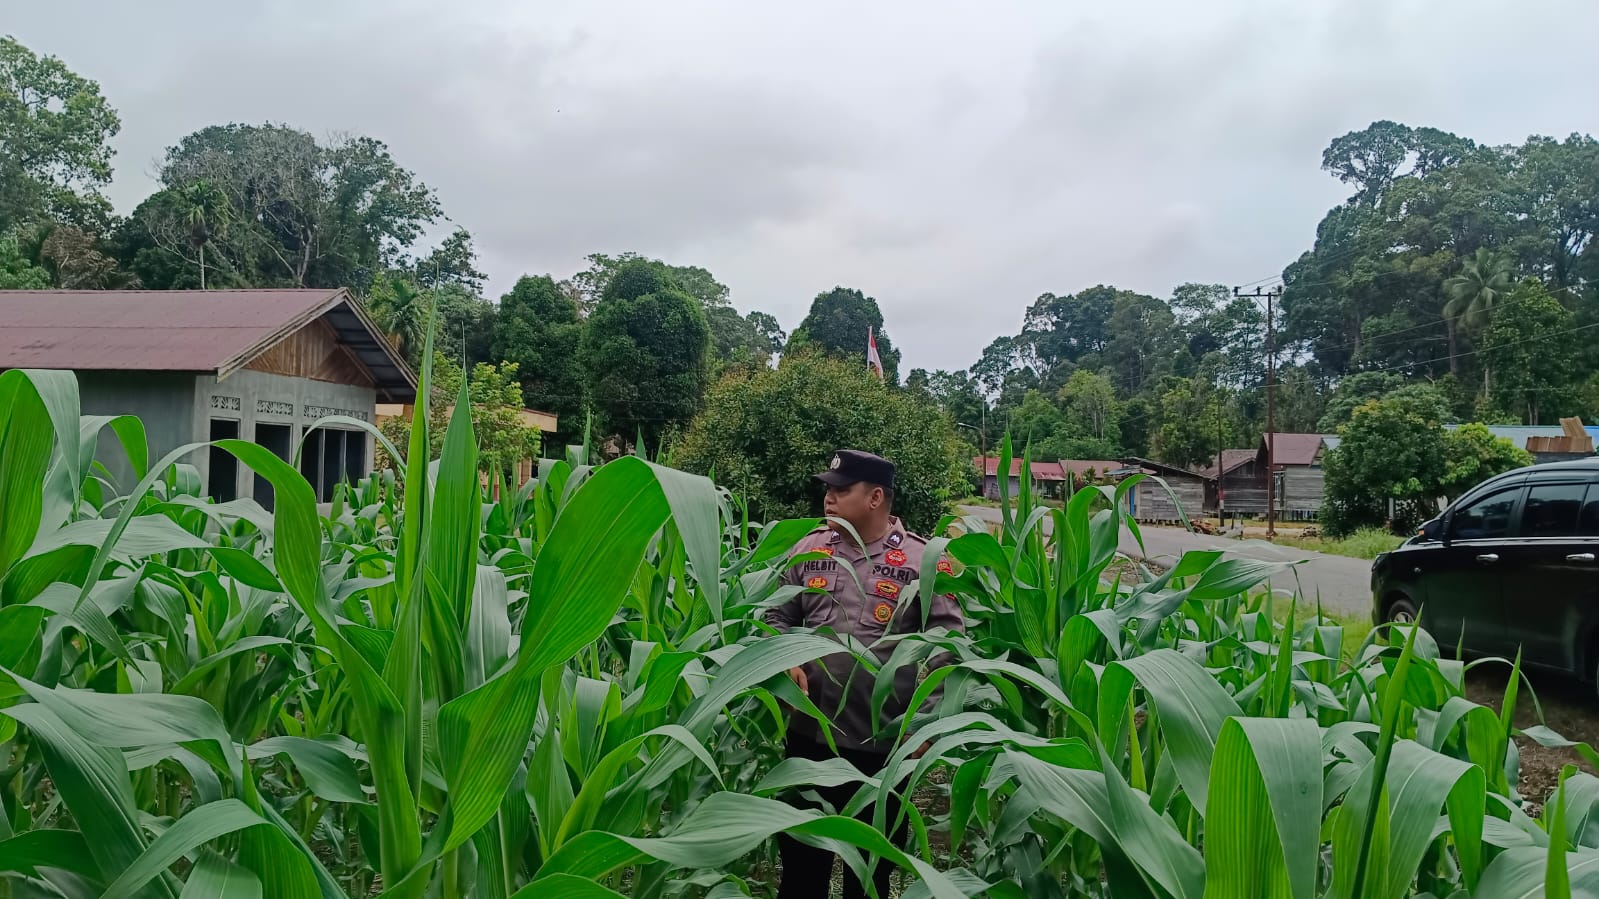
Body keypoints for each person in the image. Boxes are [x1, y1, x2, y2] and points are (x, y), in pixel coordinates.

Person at [764, 449, 964, 899]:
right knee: (800, 869)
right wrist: (784, 660)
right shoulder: (810, 549)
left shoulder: (923, 562)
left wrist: (922, 728)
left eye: (841, 490)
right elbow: (772, 616)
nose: (828, 499)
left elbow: (945, 648)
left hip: (883, 749)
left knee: (871, 876)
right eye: (827, 489)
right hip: (809, 739)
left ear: (875, 497)